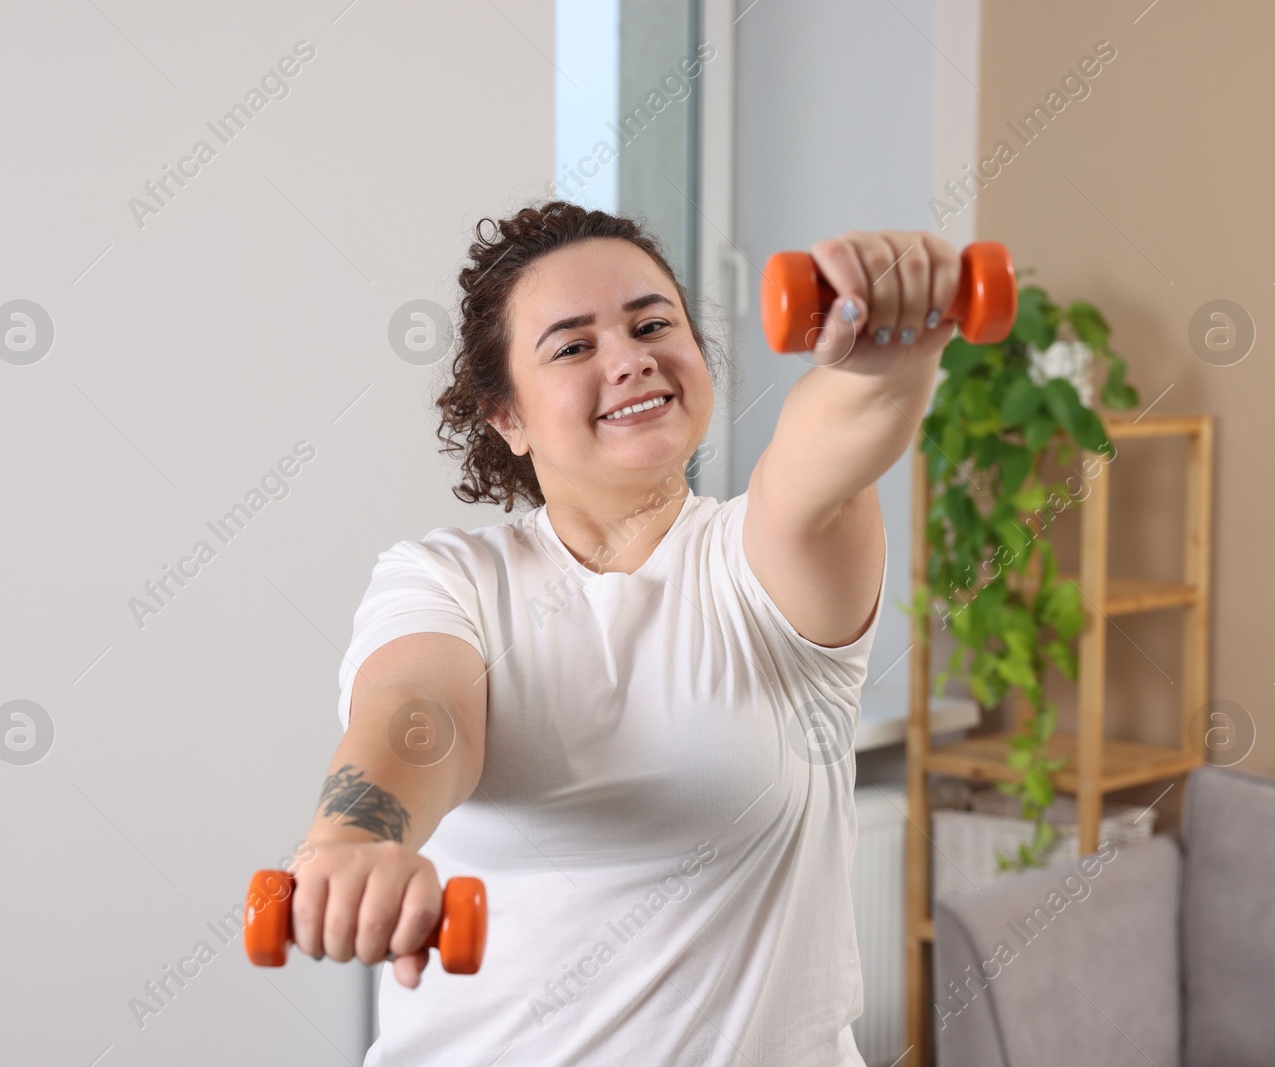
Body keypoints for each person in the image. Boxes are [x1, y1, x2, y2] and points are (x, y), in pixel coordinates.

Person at [292, 200, 962, 1065]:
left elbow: (825, 456)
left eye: (653, 323)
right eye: (573, 346)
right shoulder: (452, 579)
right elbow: (417, 717)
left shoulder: (756, 564)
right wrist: (354, 841)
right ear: (508, 417)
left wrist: (881, 367)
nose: (631, 358)